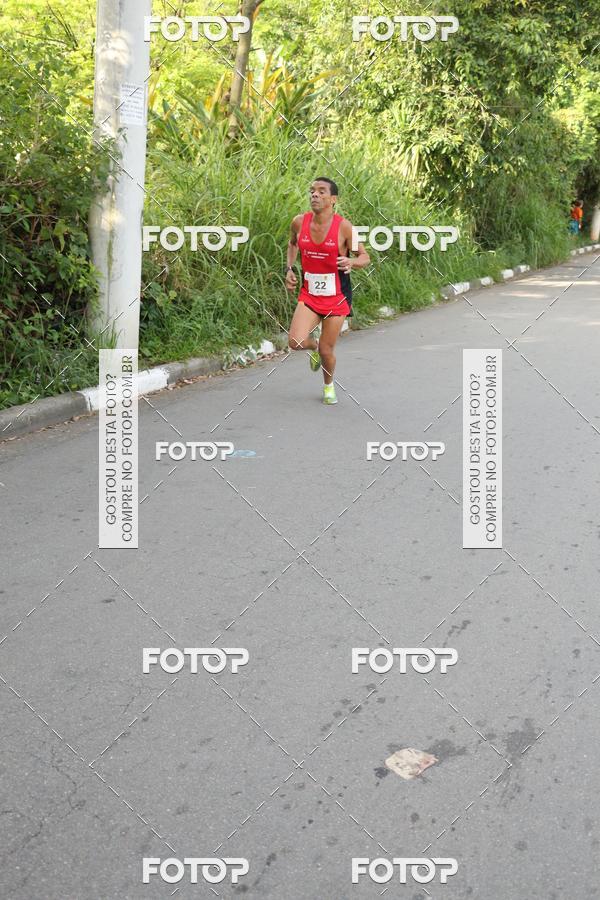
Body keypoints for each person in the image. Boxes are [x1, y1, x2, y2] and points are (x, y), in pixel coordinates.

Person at [285, 177, 370, 404]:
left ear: (333, 199)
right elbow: (292, 244)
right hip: (310, 294)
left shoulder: (344, 227)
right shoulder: (299, 222)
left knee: (327, 350)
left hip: (337, 298)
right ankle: (312, 348)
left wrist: (352, 263)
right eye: (312, 191)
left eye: (322, 192)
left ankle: (328, 385)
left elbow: (365, 257)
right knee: (296, 342)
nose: (315, 195)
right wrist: (289, 269)